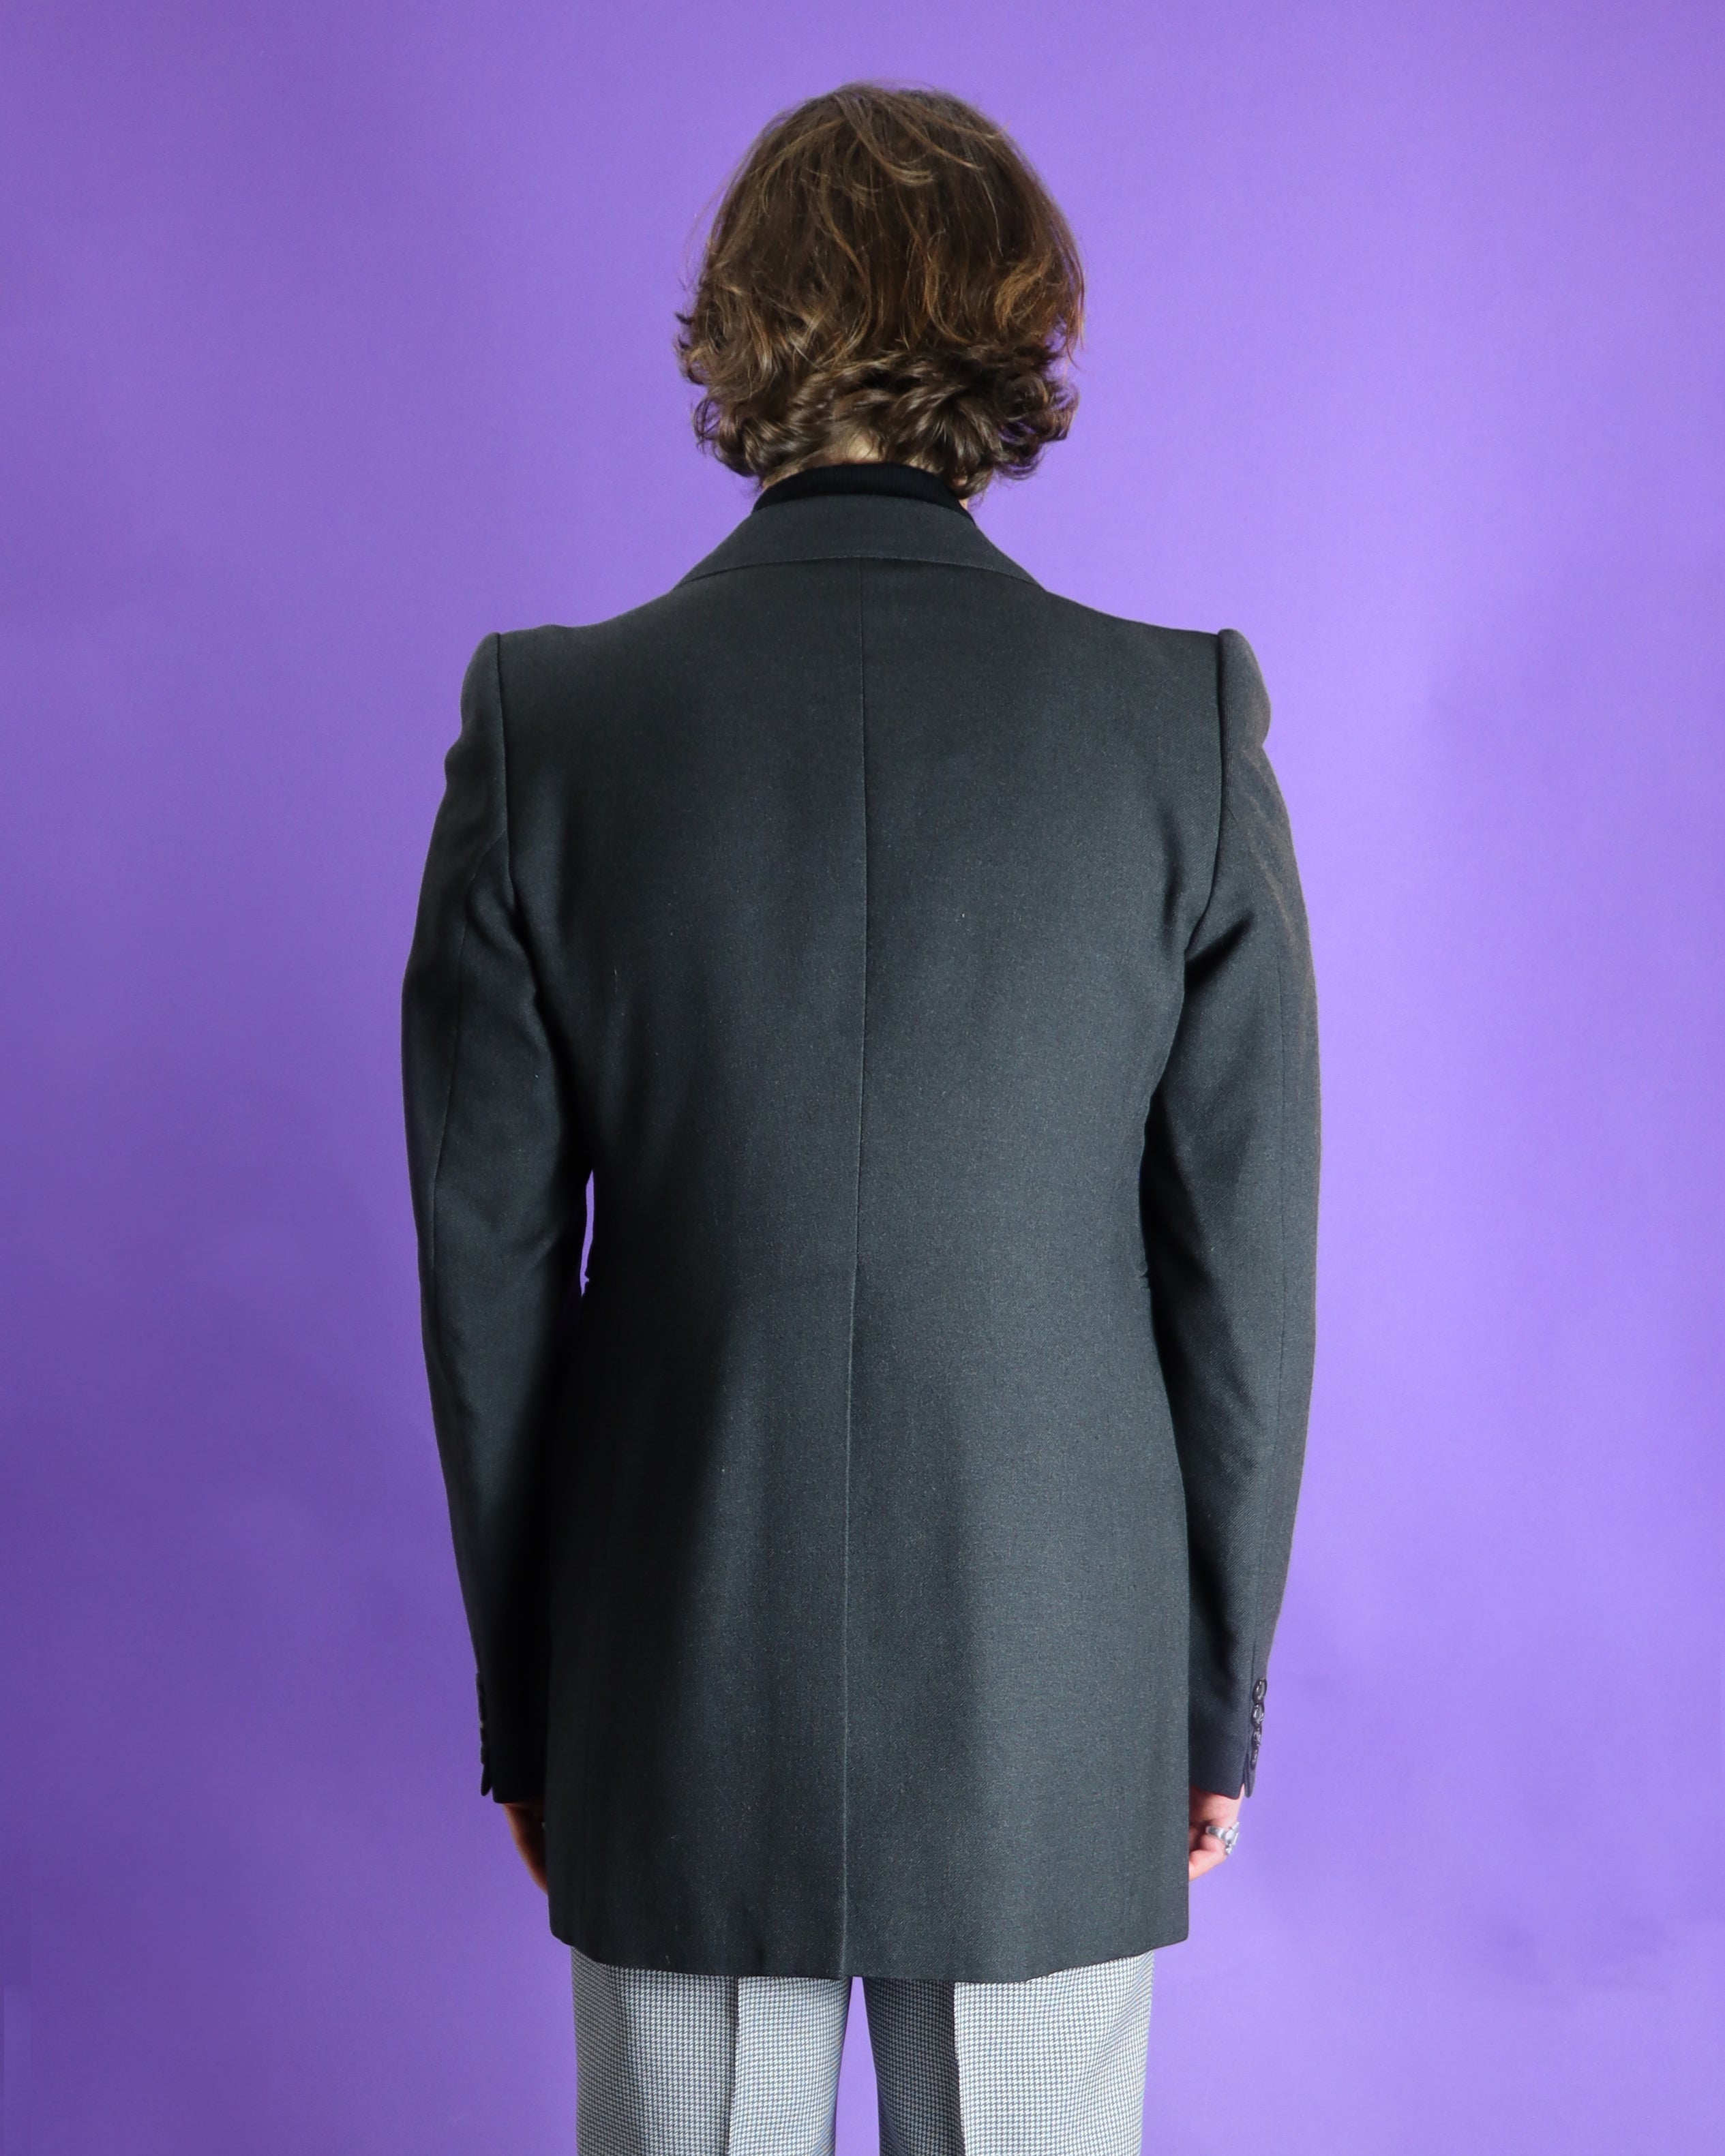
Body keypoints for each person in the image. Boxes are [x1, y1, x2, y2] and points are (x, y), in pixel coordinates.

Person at [402, 81, 1319, 2156]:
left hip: (671, 1667)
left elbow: (489, 1292)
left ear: (741, 322)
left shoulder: (553, 726)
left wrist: (537, 1710)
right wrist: (1208, 1696)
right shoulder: (1174, 726)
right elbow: (1241, 1284)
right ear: (1020, 325)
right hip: (1056, 1688)